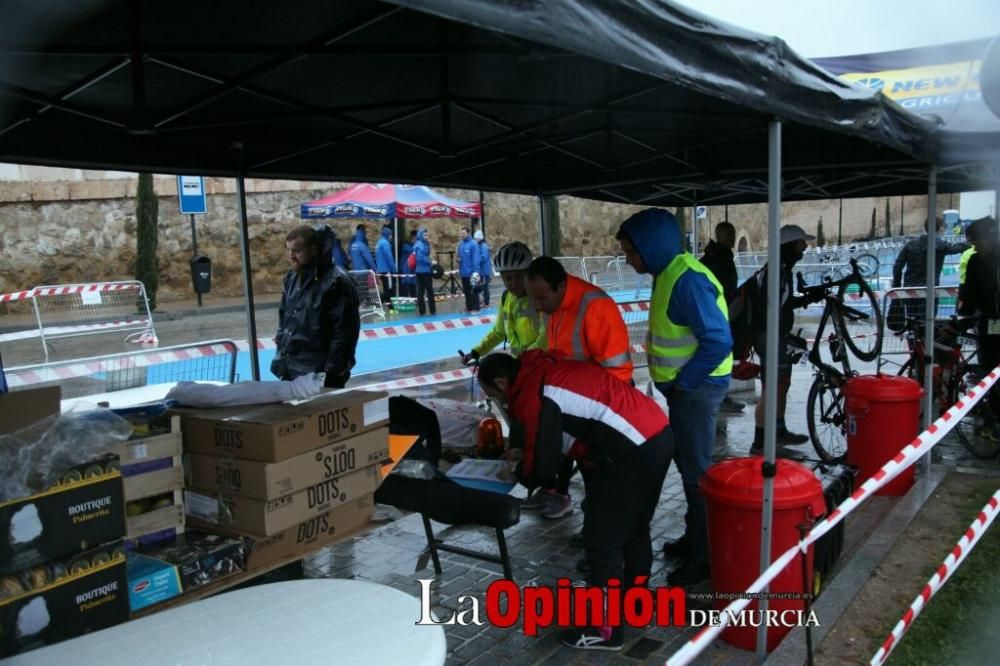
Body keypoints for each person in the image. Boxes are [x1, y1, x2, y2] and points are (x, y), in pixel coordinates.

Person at [477, 350, 673, 651]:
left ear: (503, 383)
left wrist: (518, 471)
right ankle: (636, 604)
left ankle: (605, 631)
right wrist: (526, 452)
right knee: (635, 529)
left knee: (601, 542)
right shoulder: (545, 371)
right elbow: (564, 432)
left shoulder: (534, 393)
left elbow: (543, 469)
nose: (498, 403)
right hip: (656, 433)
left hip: (630, 450)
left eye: (493, 396)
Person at [616, 208, 732, 586]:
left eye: (631, 252)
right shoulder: (666, 273)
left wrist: (684, 384)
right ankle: (694, 538)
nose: (628, 259)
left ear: (651, 245)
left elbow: (718, 341)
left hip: (696, 391)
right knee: (688, 469)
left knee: (697, 475)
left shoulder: (687, 281)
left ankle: (705, 556)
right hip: (685, 391)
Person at [525, 256, 633, 520]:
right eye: (533, 299)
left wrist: (593, 418)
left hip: (603, 412)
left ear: (561, 287)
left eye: (541, 298)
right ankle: (593, 528)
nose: (538, 307)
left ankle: (602, 535)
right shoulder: (557, 306)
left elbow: (618, 371)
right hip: (581, 410)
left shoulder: (594, 306)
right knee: (590, 475)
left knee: (603, 480)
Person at [751, 224, 819, 452]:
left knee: (781, 383)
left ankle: (779, 431)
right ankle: (760, 441)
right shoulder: (775, 271)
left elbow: (782, 303)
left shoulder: (780, 269)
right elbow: (771, 306)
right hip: (769, 336)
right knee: (772, 386)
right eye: (801, 244)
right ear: (789, 245)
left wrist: (806, 299)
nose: (804, 250)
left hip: (776, 336)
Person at [271, 225, 361, 388]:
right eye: (289, 251)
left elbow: (345, 333)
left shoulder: (337, 282)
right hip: (291, 370)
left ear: (313, 250)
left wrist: (331, 374)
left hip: (321, 374)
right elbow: (285, 317)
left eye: (297, 251)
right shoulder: (292, 279)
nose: (291, 256)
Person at [459, 241, 545, 365]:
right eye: (508, 278)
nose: (513, 283)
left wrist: (523, 359)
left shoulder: (541, 299)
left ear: (528, 274)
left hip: (542, 366)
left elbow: (546, 337)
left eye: (518, 277)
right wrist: (476, 352)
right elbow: (499, 332)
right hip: (522, 366)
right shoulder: (506, 298)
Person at [958, 216, 1000, 440]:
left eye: (977, 242)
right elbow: (969, 293)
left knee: (994, 369)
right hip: (989, 321)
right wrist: (962, 319)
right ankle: (993, 418)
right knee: (990, 369)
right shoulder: (975, 261)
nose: (976, 247)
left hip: (994, 319)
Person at [699, 221, 745, 415]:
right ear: (721, 236)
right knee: (718, 357)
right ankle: (719, 397)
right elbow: (724, 288)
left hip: (716, 313)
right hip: (719, 314)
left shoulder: (714, 257)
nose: (733, 238)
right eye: (730, 234)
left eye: (734, 234)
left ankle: (718, 396)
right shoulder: (720, 259)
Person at [892, 217, 969, 322]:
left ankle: (912, 336)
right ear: (939, 228)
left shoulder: (910, 244)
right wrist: (973, 243)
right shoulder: (939, 244)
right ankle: (923, 338)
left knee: (911, 320)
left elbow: (898, 266)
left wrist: (897, 285)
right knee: (927, 321)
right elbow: (956, 248)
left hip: (909, 289)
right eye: (943, 227)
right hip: (930, 289)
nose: (944, 230)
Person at [457, 227, 481, 313]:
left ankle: (476, 308)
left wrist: (476, 272)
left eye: (464, 233)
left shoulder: (473, 244)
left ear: (468, 233)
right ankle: (469, 307)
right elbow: (459, 257)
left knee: (474, 292)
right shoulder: (461, 244)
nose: (462, 235)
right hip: (464, 273)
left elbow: (476, 259)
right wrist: (458, 260)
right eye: (461, 233)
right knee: (466, 292)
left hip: (472, 273)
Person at [413, 227, 436, 316]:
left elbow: (427, 253)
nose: (426, 236)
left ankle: (424, 311)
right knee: (427, 291)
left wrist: (428, 243)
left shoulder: (423, 243)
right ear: (421, 235)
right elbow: (420, 258)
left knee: (422, 292)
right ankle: (430, 310)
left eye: (427, 235)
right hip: (424, 271)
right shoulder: (419, 245)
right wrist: (430, 262)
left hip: (421, 271)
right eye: (425, 235)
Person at [375, 224, 397, 303]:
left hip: (380, 270)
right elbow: (389, 258)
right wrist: (394, 269)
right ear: (388, 235)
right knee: (389, 289)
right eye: (391, 235)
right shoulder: (386, 244)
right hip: (387, 270)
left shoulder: (379, 243)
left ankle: (391, 308)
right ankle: (379, 300)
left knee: (386, 288)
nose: (391, 237)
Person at [474, 229, 492, 309]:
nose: (475, 240)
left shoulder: (484, 246)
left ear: (479, 238)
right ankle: (483, 301)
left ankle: (487, 303)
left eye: (476, 238)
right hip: (481, 271)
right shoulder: (479, 245)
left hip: (484, 271)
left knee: (485, 287)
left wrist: (476, 260)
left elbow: (483, 258)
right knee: (480, 287)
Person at [400, 229, 417, 298]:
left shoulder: (414, 246)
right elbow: (413, 251)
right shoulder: (406, 246)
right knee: (406, 289)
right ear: (412, 237)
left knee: (413, 288)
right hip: (406, 270)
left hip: (412, 271)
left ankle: (413, 301)